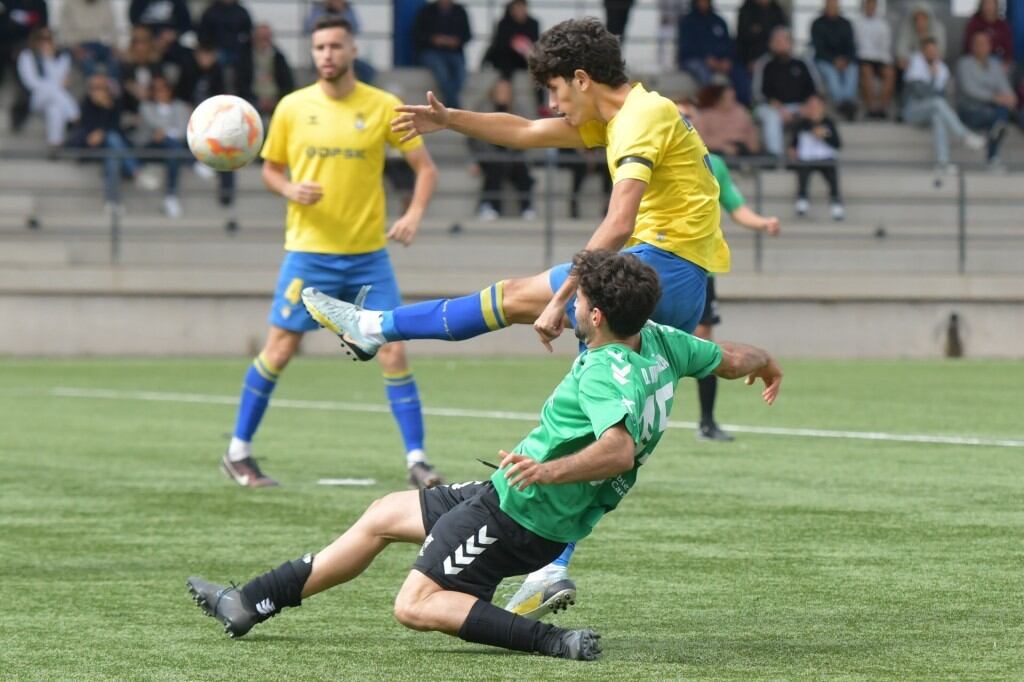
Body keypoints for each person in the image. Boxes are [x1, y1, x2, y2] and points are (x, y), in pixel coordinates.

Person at [303, 17, 729, 615]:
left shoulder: (638, 120)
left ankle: (374, 327)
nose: (553, 104)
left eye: (557, 90)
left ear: (582, 79)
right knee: (594, 424)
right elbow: (527, 132)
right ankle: (553, 567)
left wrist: (566, 294)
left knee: (514, 298)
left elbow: (619, 220)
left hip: (659, 261)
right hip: (680, 276)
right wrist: (450, 119)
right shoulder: (629, 115)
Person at [187, 249, 784, 658]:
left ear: (596, 316)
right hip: (514, 498)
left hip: (522, 514)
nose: (569, 305)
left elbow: (618, 451)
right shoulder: (661, 341)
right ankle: (250, 601)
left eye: (577, 300)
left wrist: (546, 470)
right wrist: (768, 362)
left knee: (415, 605)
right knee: (381, 515)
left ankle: (554, 642)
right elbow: (732, 358)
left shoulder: (606, 369)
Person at [220, 16, 442, 490]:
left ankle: (418, 461)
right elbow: (270, 170)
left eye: (335, 46)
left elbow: (425, 169)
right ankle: (238, 451)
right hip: (309, 254)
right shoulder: (291, 107)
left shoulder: (383, 106)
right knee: (280, 348)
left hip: (368, 257)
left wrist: (414, 214)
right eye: (319, 46)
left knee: (394, 351)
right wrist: (288, 188)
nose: (326, 54)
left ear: (352, 49)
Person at [678, 100, 779, 441]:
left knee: (704, 342)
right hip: (659, 265)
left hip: (700, 268)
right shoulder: (653, 155)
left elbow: (736, 208)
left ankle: (707, 423)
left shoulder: (713, 164)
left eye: (688, 115)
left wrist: (763, 222)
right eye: (677, 114)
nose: (682, 120)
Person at [66, 73, 159, 212]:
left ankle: (112, 202)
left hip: (111, 147)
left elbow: (117, 129)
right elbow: (87, 130)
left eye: (101, 87)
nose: (98, 91)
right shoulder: (86, 103)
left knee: (112, 156)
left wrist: (106, 109)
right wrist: (99, 122)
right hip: (92, 147)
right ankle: (137, 172)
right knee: (113, 142)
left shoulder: (114, 104)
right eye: (95, 88)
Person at [902, 38, 985, 174]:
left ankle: (942, 163)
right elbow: (922, 94)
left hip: (930, 112)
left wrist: (935, 75)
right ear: (923, 51)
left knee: (938, 117)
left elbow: (944, 96)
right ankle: (964, 136)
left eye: (934, 50)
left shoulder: (942, 68)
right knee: (937, 103)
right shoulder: (916, 64)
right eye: (928, 50)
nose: (931, 53)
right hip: (912, 111)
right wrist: (933, 77)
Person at [470, 80, 535, 221]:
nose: (503, 94)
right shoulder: (484, 108)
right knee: (496, 167)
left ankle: (527, 207)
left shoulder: (517, 109)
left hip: (513, 153)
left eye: (506, 91)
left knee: (522, 170)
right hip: (488, 154)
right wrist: (475, 160)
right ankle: (490, 206)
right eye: (500, 91)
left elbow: (525, 133)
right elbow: (474, 138)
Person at [955, 31, 1018, 167]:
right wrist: (995, 98)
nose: (981, 47)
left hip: (992, 110)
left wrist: (1010, 96)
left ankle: (993, 150)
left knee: (1000, 114)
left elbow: (1004, 85)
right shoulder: (964, 64)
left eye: (984, 43)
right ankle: (992, 156)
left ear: (989, 46)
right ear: (972, 46)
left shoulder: (995, 65)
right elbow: (969, 90)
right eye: (978, 44)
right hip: (970, 110)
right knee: (999, 118)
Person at [753, 26, 818, 157]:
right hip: (771, 107)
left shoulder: (802, 63)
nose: (779, 45)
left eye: (783, 41)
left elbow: (814, 91)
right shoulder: (765, 64)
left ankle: (808, 157)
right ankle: (775, 156)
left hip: (799, 106)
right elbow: (759, 94)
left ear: (790, 43)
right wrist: (781, 109)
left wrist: (805, 108)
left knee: (815, 110)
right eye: (776, 41)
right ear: (771, 44)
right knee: (772, 116)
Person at [16, 27, 79, 153]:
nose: (44, 42)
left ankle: (55, 144)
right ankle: (74, 116)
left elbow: (63, 82)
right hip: (35, 98)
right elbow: (31, 83)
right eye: (41, 39)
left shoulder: (62, 57)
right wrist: (44, 61)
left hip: (56, 98)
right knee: (51, 89)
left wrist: (49, 59)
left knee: (54, 109)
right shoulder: (27, 56)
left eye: (48, 39)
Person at [677, 0, 750, 105]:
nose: (704, 3)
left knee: (740, 72)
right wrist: (706, 59)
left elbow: (729, 44)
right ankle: (710, 107)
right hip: (694, 59)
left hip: (720, 60)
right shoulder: (687, 22)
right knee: (704, 73)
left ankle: (743, 106)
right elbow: (686, 48)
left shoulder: (719, 21)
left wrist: (727, 60)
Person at [138, 73, 191, 218]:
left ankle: (170, 197)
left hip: (172, 148)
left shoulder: (180, 106)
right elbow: (153, 125)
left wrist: (165, 132)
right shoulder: (146, 106)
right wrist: (169, 131)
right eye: (156, 90)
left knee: (172, 151)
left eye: (162, 89)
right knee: (171, 145)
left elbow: (183, 130)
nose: (159, 93)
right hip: (151, 146)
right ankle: (192, 162)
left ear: (169, 90)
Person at [788, 94, 844, 220]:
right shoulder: (801, 124)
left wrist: (825, 136)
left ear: (822, 106)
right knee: (802, 172)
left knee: (832, 174)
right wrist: (792, 149)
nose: (813, 108)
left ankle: (836, 204)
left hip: (826, 159)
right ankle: (802, 201)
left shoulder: (829, 123)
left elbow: (837, 144)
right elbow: (794, 143)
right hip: (807, 159)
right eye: (810, 105)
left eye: (816, 105)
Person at [413, 0, 472, 109]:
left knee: (460, 75)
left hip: (454, 52)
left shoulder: (460, 11)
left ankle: (449, 107)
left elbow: (467, 35)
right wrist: (434, 39)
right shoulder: (427, 11)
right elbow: (417, 35)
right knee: (442, 72)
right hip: (431, 51)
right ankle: (454, 107)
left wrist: (455, 41)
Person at [811, 0, 858, 120]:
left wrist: (845, 60)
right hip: (825, 60)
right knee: (832, 74)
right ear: (825, 7)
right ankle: (843, 104)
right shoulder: (817, 24)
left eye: (835, 5)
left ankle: (845, 103)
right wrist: (834, 61)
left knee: (853, 70)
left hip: (845, 61)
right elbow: (819, 49)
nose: (833, 8)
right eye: (830, 5)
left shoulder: (846, 23)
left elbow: (851, 46)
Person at [240, 23, 295, 120]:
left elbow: (288, 84)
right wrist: (257, 100)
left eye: (266, 37)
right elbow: (241, 85)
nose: (263, 40)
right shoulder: (245, 58)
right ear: (254, 38)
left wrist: (274, 100)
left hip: (276, 100)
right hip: (252, 100)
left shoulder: (279, 58)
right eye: (260, 37)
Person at [853, 0, 895, 119]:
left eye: (873, 4)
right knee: (866, 71)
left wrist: (885, 61)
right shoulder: (857, 23)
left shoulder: (883, 24)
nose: (871, 7)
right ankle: (871, 109)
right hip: (863, 58)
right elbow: (855, 45)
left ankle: (882, 109)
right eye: (868, 4)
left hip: (880, 59)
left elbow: (885, 46)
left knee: (890, 73)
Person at [694, 84, 761, 156]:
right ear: (719, 100)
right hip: (717, 151)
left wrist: (752, 147)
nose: (733, 102)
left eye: (733, 98)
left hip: (742, 149)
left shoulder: (740, 111)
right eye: (729, 98)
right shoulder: (705, 115)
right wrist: (722, 146)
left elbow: (750, 131)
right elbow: (700, 139)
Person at [482, 0, 540, 83]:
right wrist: (516, 45)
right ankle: (505, 85)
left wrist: (525, 50)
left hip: (525, 58)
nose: (519, 11)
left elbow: (535, 43)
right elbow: (500, 45)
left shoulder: (533, 23)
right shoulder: (503, 24)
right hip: (507, 57)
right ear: (511, 10)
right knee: (505, 62)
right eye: (517, 8)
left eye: (522, 8)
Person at [57, 0, 118, 77]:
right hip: (78, 45)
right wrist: (75, 47)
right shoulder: (69, 3)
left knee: (115, 63)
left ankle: (111, 86)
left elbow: (112, 29)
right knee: (87, 63)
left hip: (100, 45)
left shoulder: (106, 3)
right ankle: (94, 86)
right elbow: (64, 31)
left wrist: (114, 47)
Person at [736, 0, 788, 69]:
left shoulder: (777, 10)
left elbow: (782, 33)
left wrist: (760, 30)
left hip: (773, 59)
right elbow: (744, 37)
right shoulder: (747, 9)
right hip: (747, 59)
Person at [895, 3, 945, 72]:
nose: (920, 21)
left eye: (923, 18)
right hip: (910, 65)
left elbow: (940, 51)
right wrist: (911, 60)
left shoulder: (938, 29)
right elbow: (901, 50)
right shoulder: (907, 28)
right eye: (917, 19)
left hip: (932, 63)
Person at [962, 0, 1013, 67]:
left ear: (996, 6)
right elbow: (967, 46)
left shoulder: (1003, 26)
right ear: (981, 5)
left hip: (997, 60)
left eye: (991, 4)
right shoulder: (974, 23)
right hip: (976, 59)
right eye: (986, 4)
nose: (988, 7)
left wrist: (1006, 64)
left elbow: (1008, 50)